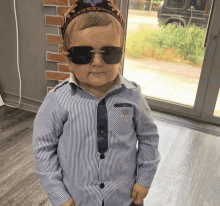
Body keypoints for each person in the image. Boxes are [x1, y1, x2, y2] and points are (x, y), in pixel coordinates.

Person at [33, 0, 161, 206]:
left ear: (122, 53)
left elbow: (149, 138)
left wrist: (144, 179)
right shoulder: (57, 100)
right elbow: (43, 148)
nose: (98, 62)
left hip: (123, 199)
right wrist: (58, 194)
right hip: (78, 200)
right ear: (67, 57)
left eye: (109, 52)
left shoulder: (133, 95)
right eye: (83, 53)